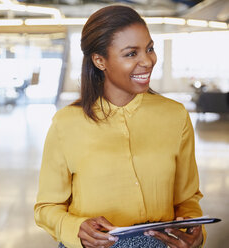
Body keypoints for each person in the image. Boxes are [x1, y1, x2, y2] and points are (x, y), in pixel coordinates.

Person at [34, 5, 205, 248]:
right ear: (99, 60)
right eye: (131, 54)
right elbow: (46, 207)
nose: (147, 61)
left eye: (149, 49)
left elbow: (187, 199)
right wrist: (76, 229)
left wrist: (193, 230)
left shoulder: (175, 116)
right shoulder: (66, 123)